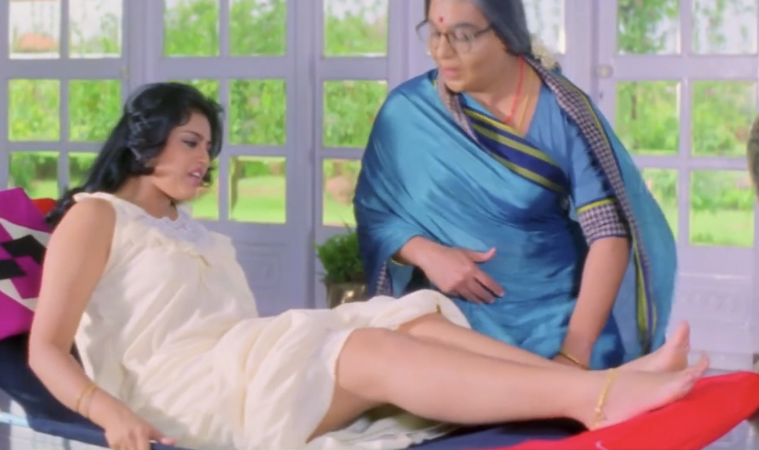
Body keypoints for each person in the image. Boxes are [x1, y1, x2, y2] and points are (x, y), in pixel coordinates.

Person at [27, 83, 705, 450]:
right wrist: (109, 414)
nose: (205, 160)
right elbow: (45, 348)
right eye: (191, 142)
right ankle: (593, 403)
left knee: (404, 314)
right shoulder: (96, 217)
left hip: (237, 359)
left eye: (209, 147)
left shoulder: (193, 231)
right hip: (181, 393)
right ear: (145, 139)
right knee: (365, 348)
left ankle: (592, 380)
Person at [354, 0, 677, 371]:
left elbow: (609, 235)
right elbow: (376, 214)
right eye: (434, 33)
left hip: (557, 326)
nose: (442, 51)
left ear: (505, 34)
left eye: (462, 36)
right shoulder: (406, 114)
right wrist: (428, 254)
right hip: (451, 326)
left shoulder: (564, 112)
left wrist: (573, 355)